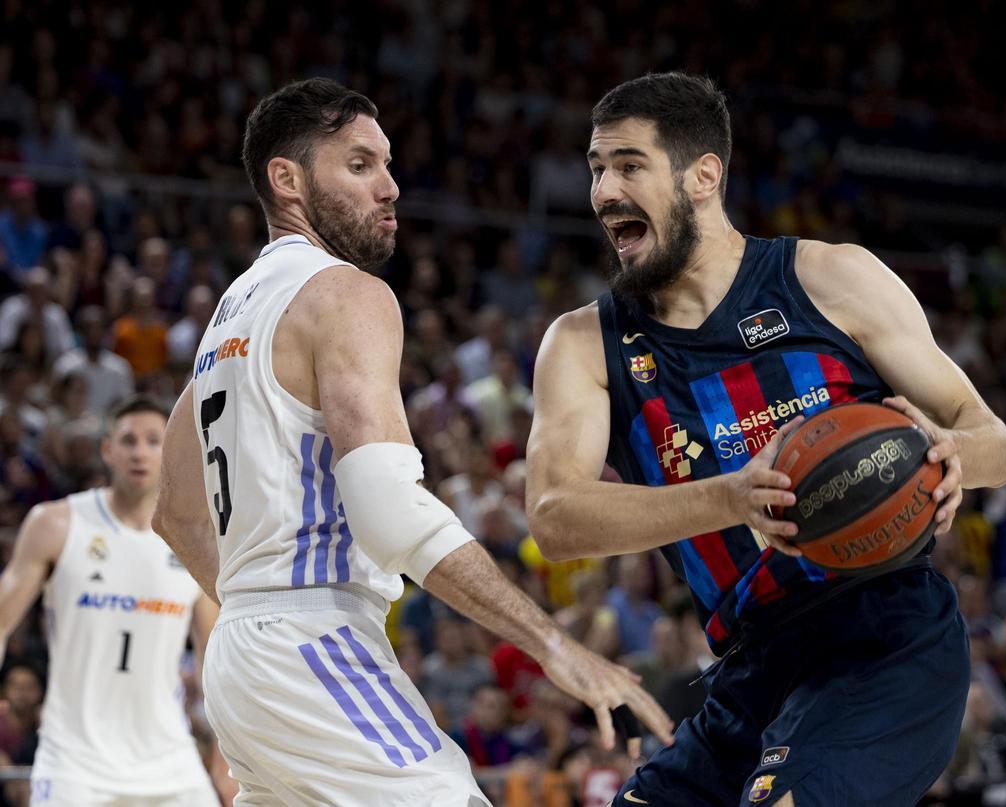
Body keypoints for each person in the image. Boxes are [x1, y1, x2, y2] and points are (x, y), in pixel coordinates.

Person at [153, 78, 671, 806]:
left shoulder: (226, 323)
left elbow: (175, 512)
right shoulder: (345, 293)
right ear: (287, 180)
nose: (391, 187)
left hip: (243, 658)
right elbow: (389, 510)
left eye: (389, 165)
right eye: (361, 166)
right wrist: (557, 645)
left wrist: (256, 612)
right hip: (310, 639)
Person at [525, 72, 1006, 806]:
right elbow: (555, 517)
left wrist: (953, 455)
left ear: (703, 177)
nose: (602, 191)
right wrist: (731, 496)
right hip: (751, 666)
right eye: (596, 169)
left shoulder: (829, 276)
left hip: (885, 636)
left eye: (628, 165)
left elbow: (993, 440)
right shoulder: (584, 343)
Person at [0, 396, 220, 805]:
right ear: (108, 450)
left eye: (154, 441)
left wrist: (229, 749)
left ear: (169, 451)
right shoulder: (55, 524)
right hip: (73, 762)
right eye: (128, 440)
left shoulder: (195, 542)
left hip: (169, 760)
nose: (140, 452)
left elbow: (215, 658)